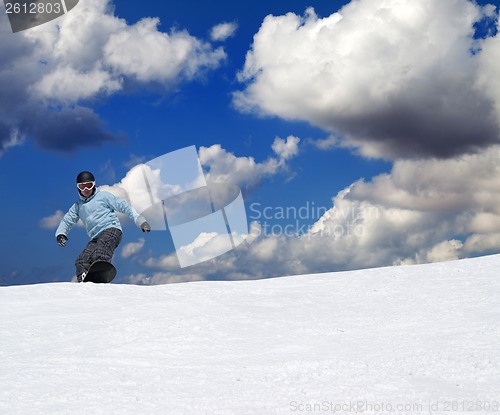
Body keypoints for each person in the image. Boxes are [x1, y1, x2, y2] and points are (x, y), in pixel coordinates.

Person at [56, 171, 151, 282]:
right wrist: (61, 233)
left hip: (111, 230)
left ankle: (101, 271)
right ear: (78, 188)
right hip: (95, 237)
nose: (86, 190)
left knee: (100, 251)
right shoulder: (77, 206)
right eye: (82, 187)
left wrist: (140, 221)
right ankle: (84, 281)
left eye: (89, 186)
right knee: (81, 260)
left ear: (94, 185)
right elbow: (67, 221)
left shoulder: (103, 196)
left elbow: (124, 206)